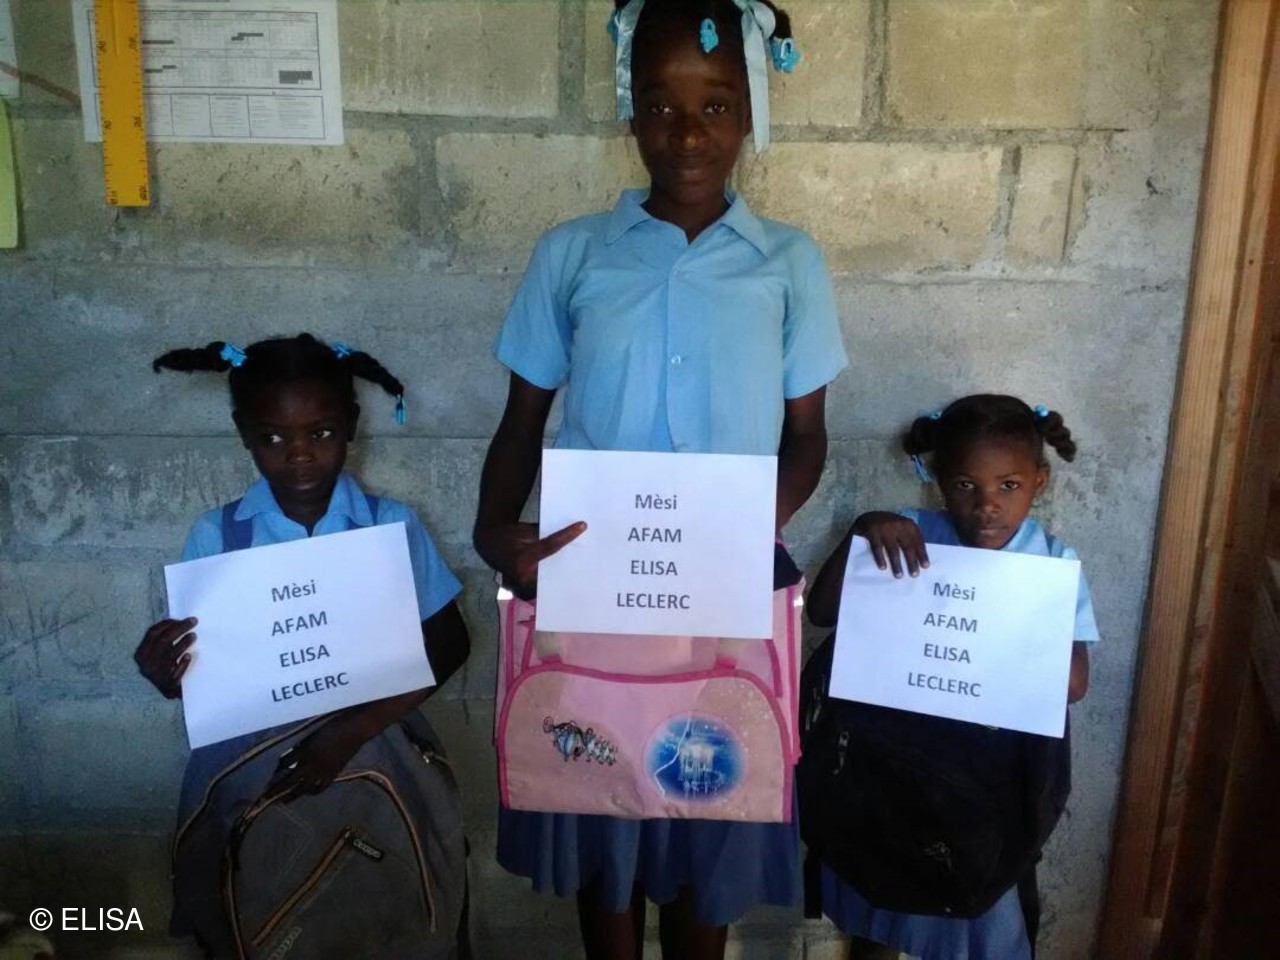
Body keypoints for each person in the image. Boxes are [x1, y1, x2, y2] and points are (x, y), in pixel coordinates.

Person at [471, 1, 846, 956]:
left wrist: (746, 524)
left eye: (715, 105)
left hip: (727, 591)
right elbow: (522, 422)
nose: (688, 133)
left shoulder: (789, 262)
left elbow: (808, 436)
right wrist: (492, 531)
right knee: (601, 803)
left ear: (749, 112)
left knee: (708, 806)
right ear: (630, 112)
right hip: (593, 585)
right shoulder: (572, 253)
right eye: (661, 107)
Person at [134, 333, 469, 955]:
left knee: (383, 898)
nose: (299, 455)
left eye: (322, 433)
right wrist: (165, 671)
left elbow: (449, 644)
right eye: (272, 438)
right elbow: (205, 679)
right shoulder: (217, 535)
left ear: (352, 427)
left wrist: (348, 733)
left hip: (375, 744)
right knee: (262, 896)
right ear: (244, 435)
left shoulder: (390, 525)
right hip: (253, 766)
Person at [806, 394, 1099, 960]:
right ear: (938, 481)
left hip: (991, 784)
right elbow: (822, 611)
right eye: (966, 485)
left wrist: (1019, 606)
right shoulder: (906, 535)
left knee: (977, 905)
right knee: (880, 900)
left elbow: (1074, 685)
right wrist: (862, 532)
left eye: (1008, 486)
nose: (987, 505)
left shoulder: (1051, 562)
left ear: (1038, 482)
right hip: (892, 767)